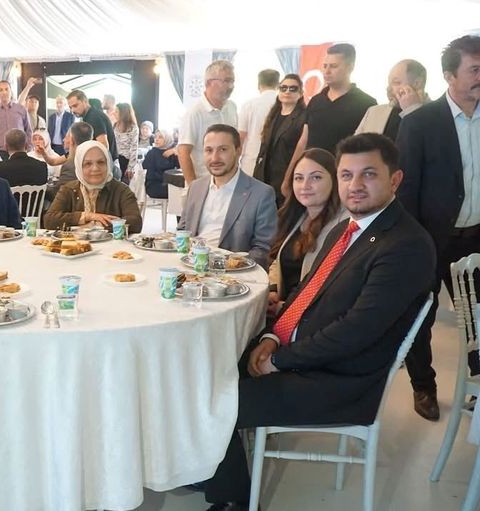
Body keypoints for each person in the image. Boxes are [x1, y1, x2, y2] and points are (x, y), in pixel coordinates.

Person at [203, 133, 436, 510]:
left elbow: (355, 333)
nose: (355, 185)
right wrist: (271, 338)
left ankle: (234, 501)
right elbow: (304, 291)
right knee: (209, 369)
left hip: (341, 380)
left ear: (395, 180)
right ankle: (211, 466)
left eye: (369, 174)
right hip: (308, 355)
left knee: (217, 400)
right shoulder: (351, 229)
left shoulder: (405, 245)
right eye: (346, 175)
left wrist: (279, 360)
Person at [396, 34, 480, 421]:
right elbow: (406, 189)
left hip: (475, 237)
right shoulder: (421, 123)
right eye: (474, 70)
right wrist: (411, 245)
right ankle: (423, 386)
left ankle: (477, 386)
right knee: (421, 315)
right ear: (449, 76)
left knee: (477, 317)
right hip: (430, 238)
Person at [178, 124, 277, 269]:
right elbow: (182, 232)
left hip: (232, 273)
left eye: (223, 149)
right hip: (190, 266)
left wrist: (227, 266)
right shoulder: (196, 187)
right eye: (209, 150)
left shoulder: (261, 194)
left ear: (238, 151)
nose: (215, 158)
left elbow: (263, 250)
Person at [267, 148, 346, 316]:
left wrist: (285, 307)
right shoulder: (298, 216)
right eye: (299, 178)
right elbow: (277, 260)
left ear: (335, 179)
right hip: (280, 309)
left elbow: (330, 286)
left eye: (316, 177)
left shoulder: (342, 226)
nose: (305, 186)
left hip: (310, 316)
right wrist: (273, 290)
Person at [287, 43, 377, 190]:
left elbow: (369, 149)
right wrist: (289, 175)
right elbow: (303, 141)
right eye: (325, 66)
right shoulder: (316, 101)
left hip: (344, 180)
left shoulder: (366, 103)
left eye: (334, 66)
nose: (327, 71)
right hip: (311, 177)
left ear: (350, 67)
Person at [44, 140, 142, 233]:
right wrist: (87, 216)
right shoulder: (69, 189)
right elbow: (49, 220)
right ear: (79, 166)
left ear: (108, 164)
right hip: (75, 244)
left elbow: (135, 222)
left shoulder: (121, 190)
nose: (95, 168)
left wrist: (97, 226)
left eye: (101, 162)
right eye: (88, 164)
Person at [178, 60, 238, 184]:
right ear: (209, 82)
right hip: (204, 184)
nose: (231, 86)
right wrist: (193, 187)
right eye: (226, 81)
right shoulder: (194, 113)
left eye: (232, 81)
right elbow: (183, 152)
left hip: (229, 182)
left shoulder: (232, 107)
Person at [253, 74, 307, 205]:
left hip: (285, 176)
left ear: (300, 93)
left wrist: (289, 179)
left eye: (293, 89)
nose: (287, 91)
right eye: (283, 88)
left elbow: (300, 149)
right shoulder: (273, 114)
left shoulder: (303, 117)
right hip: (264, 175)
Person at [356, 59, 429, 141]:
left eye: (396, 82)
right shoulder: (374, 112)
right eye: (389, 83)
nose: (388, 89)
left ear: (417, 83)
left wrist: (412, 110)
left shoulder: (436, 114)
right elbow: (353, 146)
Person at [238, 69, 280, 175]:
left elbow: (241, 136)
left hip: (250, 162)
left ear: (258, 85)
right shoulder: (283, 105)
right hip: (276, 164)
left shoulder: (249, 105)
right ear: (278, 85)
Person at [0, 81, 33, 160]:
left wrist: (29, 149)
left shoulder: (21, 109)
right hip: (0, 154)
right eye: (1, 90)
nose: (4, 92)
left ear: (11, 91)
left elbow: (28, 131)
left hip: (20, 152)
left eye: (6, 89)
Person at [66, 89, 119, 161]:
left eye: (75, 106)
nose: (73, 110)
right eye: (70, 107)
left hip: (107, 163)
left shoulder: (94, 117)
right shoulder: (88, 116)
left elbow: (103, 145)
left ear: (85, 101)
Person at [143, 129, 179, 199]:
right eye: (155, 137)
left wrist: (175, 152)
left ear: (167, 139)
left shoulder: (171, 152)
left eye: (160, 137)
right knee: (176, 191)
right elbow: (150, 174)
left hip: (169, 183)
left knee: (182, 189)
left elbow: (180, 168)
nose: (156, 139)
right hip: (154, 185)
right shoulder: (152, 153)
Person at [113, 102, 139, 182]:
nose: (114, 113)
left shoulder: (133, 128)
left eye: (116, 111)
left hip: (125, 160)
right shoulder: (115, 125)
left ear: (123, 113)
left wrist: (130, 167)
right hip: (115, 158)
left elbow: (134, 148)